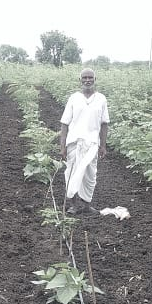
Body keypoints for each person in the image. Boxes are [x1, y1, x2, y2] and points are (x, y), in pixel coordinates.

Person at [59, 67, 109, 214]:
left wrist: (103, 146)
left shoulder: (101, 99)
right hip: (74, 142)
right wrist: (62, 147)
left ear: (95, 79)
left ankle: (87, 206)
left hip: (92, 143)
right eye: (84, 77)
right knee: (72, 173)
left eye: (90, 77)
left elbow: (104, 123)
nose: (87, 80)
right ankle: (74, 205)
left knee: (90, 175)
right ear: (80, 80)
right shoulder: (74, 98)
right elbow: (64, 123)